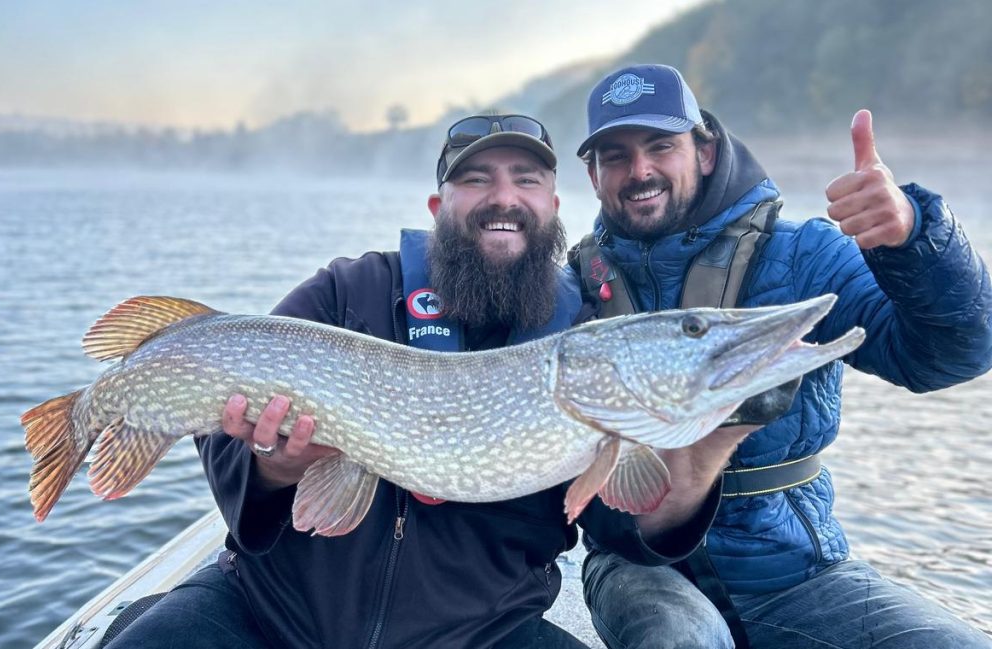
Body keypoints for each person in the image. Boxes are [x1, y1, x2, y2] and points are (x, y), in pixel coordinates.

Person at [104, 113, 743, 649]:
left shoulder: (584, 338)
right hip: (270, 612)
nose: (504, 197)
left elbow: (623, 526)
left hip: (484, 631)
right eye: (475, 179)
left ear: (552, 206)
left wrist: (707, 450)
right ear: (439, 207)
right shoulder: (347, 290)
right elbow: (224, 405)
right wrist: (274, 469)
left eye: (527, 179)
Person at [573, 64, 992, 648]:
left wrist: (914, 238)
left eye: (660, 146)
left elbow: (949, 357)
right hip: (639, 565)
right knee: (684, 641)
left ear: (706, 151)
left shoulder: (805, 254)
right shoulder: (574, 283)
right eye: (614, 156)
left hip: (796, 565)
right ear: (593, 177)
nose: (640, 170)